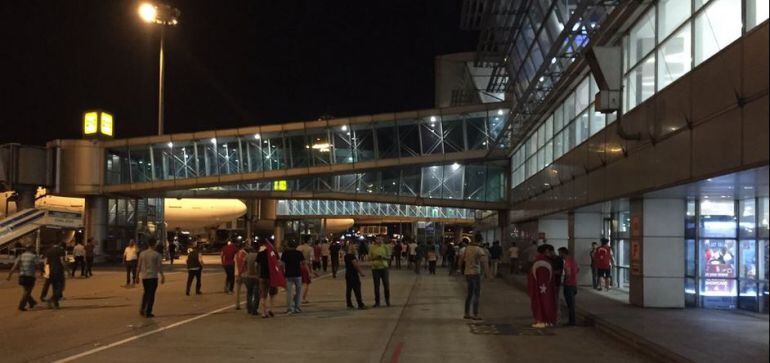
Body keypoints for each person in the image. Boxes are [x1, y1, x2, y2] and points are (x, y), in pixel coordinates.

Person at [458, 237, 490, 320]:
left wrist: (460, 269)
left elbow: (461, 260)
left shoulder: (466, 249)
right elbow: (484, 262)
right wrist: (488, 274)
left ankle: (467, 313)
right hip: (476, 273)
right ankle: (475, 314)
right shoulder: (479, 249)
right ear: (479, 241)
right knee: (476, 294)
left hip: (468, 273)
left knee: (469, 294)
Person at [528, 244, 557, 328]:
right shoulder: (542, 262)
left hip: (541, 289)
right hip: (543, 289)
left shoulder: (540, 261)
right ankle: (544, 320)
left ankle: (543, 320)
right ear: (547, 251)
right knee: (545, 302)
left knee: (542, 303)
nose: (553, 253)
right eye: (552, 251)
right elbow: (543, 279)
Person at [6, 244, 40, 311]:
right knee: (27, 291)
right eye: (33, 248)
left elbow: (14, 266)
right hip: (30, 276)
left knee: (26, 291)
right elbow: (38, 265)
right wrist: (42, 272)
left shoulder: (20, 256)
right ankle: (21, 305)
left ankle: (32, 302)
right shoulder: (33, 256)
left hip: (22, 276)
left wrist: (9, 275)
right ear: (31, 249)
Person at [137, 238, 165, 318]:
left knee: (146, 293)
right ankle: (148, 311)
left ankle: (142, 309)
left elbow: (138, 266)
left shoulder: (142, 254)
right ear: (154, 244)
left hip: (144, 277)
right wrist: (162, 275)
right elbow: (159, 266)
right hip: (153, 277)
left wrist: (136, 276)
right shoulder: (156, 254)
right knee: (151, 294)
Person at [258, 240, 284, 318]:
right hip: (272, 277)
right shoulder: (274, 253)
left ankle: (263, 312)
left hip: (262, 276)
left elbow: (256, 264)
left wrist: (258, 273)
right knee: (272, 294)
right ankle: (271, 310)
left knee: (263, 295)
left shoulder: (261, 253)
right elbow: (279, 264)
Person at [281, 241, 305, 314]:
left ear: (288, 245)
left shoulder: (285, 253)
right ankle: (297, 307)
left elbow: (282, 264)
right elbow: (303, 263)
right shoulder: (299, 253)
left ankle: (289, 309)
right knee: (298, 291)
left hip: (288, 274)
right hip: (297, 274)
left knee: (289, 292)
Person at [369, 236, 391, 307]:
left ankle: (387, 301)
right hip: (375, 268)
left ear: (382, 239)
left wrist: (383, 257)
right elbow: (370, 258)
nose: (379, 240)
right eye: (377, 239)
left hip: (384, 268)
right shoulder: (372, 247)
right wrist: (375, 257)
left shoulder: (386, 247)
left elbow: (389, 257)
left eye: (380, 239)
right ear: (375, 240)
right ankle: (377, 302)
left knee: (386, 285)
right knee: (376, 286)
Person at [559, 247, 579, 326]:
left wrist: (566, 280)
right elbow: (578, 269)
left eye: (560, 253)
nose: (559, 255)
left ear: (563, 253)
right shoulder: (573, 260)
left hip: (569, 285)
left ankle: (572, 322)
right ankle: (572, 321)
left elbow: (568, 273)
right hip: (574, 284)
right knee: (572, 304)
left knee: (570, 305)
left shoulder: (567, 262)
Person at [344, 244, 367, 309]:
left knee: (349, 289)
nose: (356, 250)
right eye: (355, 248)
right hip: (353, 274)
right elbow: (355, 265)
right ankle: (360, 304)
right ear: (352, 249)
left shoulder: (346, 256)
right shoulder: (352, 256)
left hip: (348, 274)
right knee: (357, 289)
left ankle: (349, 304)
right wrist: (361, 272)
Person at [45, 243, 66, 309]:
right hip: (58, 271)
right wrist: (68, 270)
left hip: (50, 271)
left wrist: (46, 273)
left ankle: (56, 304)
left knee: (54, 287)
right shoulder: (61, 250)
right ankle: (52, 299)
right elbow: (62, 261)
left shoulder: (48, 251)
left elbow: (46, 262)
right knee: (61, 287)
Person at [242, 244, 260, 315]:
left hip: (248, 276)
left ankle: (249, 308)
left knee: (249, 293)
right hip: (256, 277)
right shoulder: (258, 256)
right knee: (256, 294)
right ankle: (254, 310)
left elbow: (244, 264)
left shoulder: (247, 255)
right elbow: (258, 266)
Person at [234, 243, 248, 308]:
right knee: (247, 289)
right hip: (244, 273)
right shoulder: (245, 254)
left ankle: (237, 304)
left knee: (237, 290)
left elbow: (235, 263)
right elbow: (245, 263)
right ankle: (247, 304)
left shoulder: (236, 255)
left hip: (237, 273)